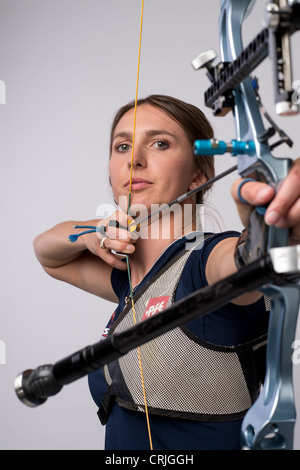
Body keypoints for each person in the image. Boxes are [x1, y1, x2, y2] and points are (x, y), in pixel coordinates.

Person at [33, 94, 300, 450]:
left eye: (160, 143)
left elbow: (246, 261)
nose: (135, 161)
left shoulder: (205, 264)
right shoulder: (128, 280)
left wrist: (270, 229)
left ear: (197, 176)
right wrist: (95, 231)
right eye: (122, 146)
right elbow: (47, 251)